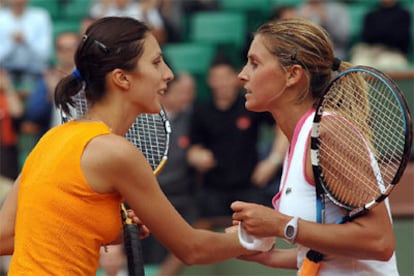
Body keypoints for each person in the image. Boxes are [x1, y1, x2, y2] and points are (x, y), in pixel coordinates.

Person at [0, 16, 256, 275]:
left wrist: (98, 230)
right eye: (156, 62)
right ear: (122, 78)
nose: (168, 74)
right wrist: (251, 238)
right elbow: (191, 248)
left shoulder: (51, 139)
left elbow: (6, 237)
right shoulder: (116, 152)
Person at [230, 18, 399, 275]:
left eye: (255, 63)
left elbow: (379, 242)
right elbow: (329, 254)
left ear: (292, 75)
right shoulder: (300, 137)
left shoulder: (329, 133)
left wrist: (280, 225)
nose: (242, 74)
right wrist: (267, 257)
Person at [0, 0, 53, 96]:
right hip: (5, 74)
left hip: (36, 74)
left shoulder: (40, 16)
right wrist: (12, 43)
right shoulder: (1, 18)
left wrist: (26, 41)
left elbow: (45, 55)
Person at [350, 0, 412, 69]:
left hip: (395, 53)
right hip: (372, 50)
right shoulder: (371, 14)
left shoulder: (404, 14)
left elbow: (401, 38)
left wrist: (383, 42)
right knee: (359, 61)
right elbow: (366, 36)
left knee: (384, 63)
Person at [90, 0, 167, 44]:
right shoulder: (102, 8)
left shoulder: (144, 8)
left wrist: (146, 17)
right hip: (109, 46)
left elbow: (160, 37)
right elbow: (89, 32)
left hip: (136, 46)